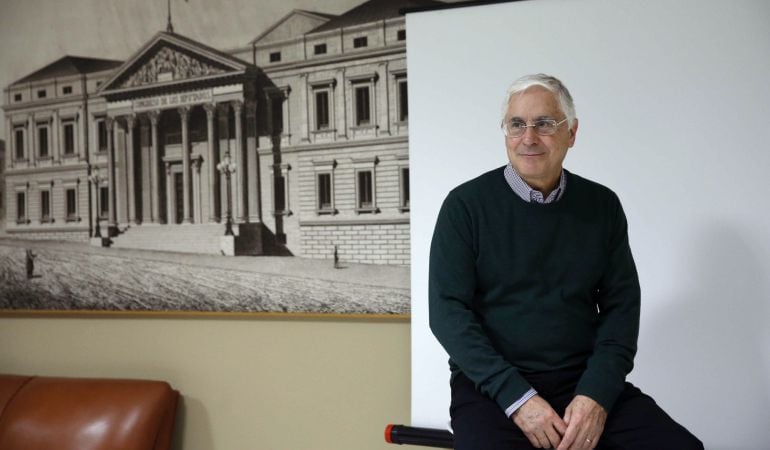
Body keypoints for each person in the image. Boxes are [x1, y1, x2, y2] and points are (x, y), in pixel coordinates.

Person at [428, 74, 702, 450]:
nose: (529, 137)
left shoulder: (602, 206)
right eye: (517, 124)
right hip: (493, 389)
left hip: (581, 380)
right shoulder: (464, 207)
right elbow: (447, 313)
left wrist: (596, 397)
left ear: (571, 133)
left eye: (544, 123)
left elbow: (622, 307)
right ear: (505, 132)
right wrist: (518, 400)